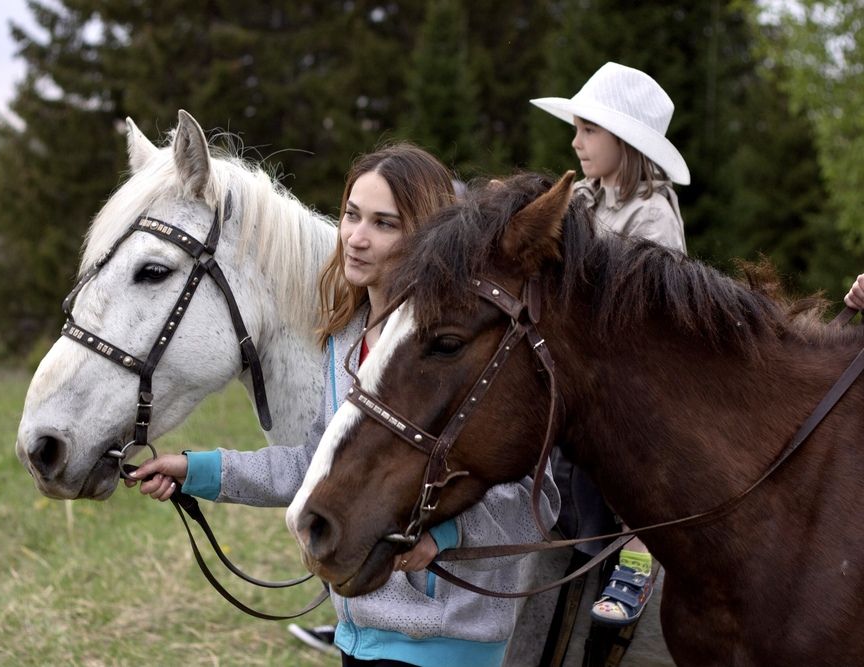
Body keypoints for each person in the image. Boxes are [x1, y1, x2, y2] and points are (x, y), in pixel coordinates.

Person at [125, 143, 560, 667]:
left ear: (427, 235)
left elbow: (536, 502)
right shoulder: (346, 339)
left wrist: (444, 536)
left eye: (383, 224)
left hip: (448, 643)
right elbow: (315, 465)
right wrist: (196, 470)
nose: (355, 237)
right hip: (359, 636)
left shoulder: (463, 351)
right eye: (351, 215)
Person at [530, 61, 690, 627]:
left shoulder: (653, 216)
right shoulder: (581, 197)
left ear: (624, 140)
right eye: (576, 129)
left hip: (633, 367)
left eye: (588, 130)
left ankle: (638, 559)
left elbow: (648, 319)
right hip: (582, 360)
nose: (575, 142)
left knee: (633, 446)